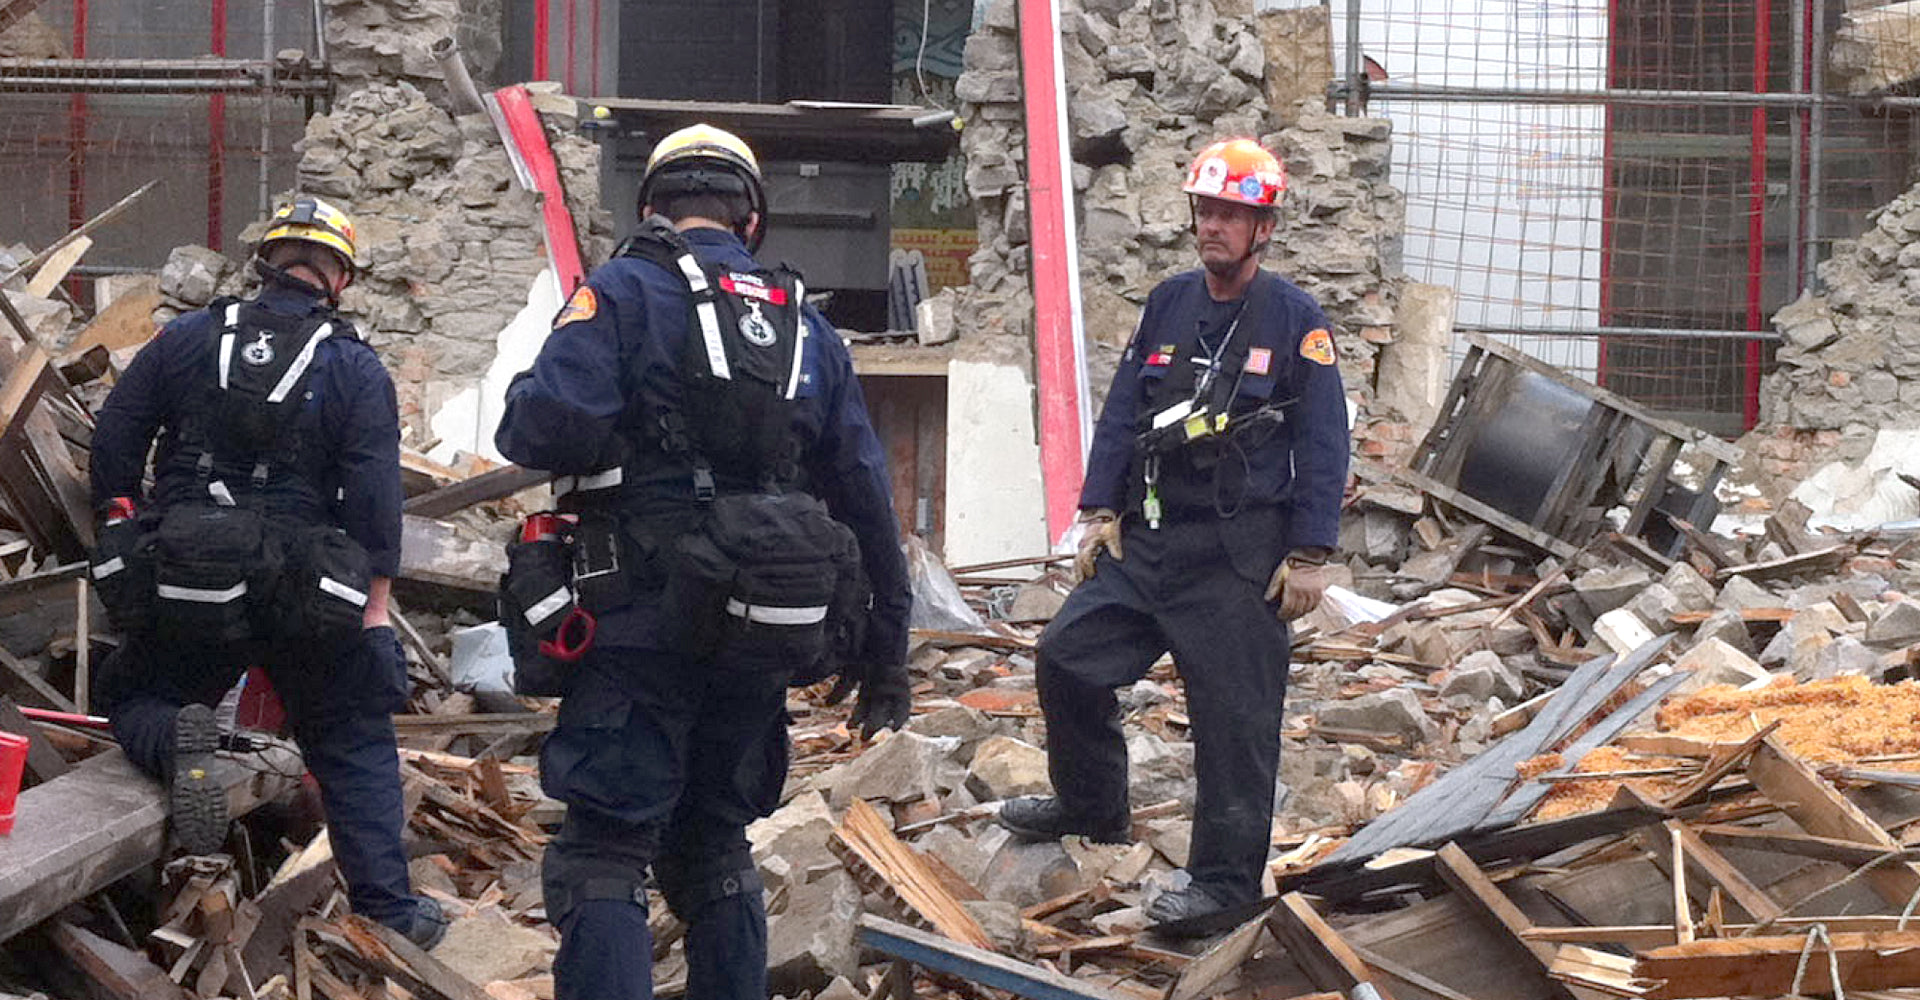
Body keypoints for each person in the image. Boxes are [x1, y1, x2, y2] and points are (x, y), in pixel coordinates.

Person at [494, 123, 911, 1000]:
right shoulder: (810, 327)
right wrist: (887, 654)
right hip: (760, 629)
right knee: (716, 847)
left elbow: (539, 428)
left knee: (606, 851)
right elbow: (868, 496)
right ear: (751, 220)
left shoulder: (619, 291)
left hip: (637, 622)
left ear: (650, 209)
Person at [997, 137, 1350, 926]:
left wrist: (1309, 553)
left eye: (1231, 213)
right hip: (1148, 540)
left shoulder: (1296, 320)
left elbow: (1325, 439)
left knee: (1234, 723)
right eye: (1205, 210)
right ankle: (1093, 808)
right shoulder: (1169, 302)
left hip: (1237, 558)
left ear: (1263, 228)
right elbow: (1126, 407)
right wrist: (1097, 510)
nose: (1212, 226)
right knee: (1067, 660)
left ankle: (1222, 887)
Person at [89, 196, 447, 949]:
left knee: (135, 692)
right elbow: (378, 506)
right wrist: (373, 609)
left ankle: (175, 736)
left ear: (267, 262)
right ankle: (391, 912)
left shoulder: (185, 338)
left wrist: (124, 520)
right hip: (305, 591)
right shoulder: (353, 366)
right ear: (339, 276)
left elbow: (116, 438)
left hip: (187, 574)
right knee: (351, 736)